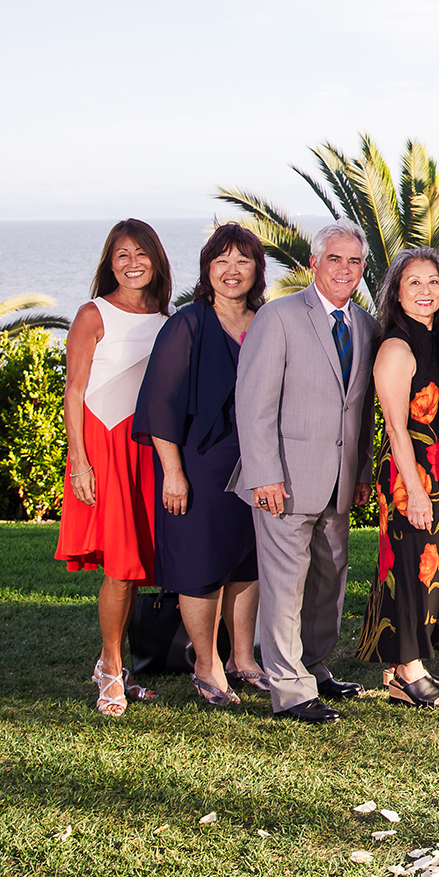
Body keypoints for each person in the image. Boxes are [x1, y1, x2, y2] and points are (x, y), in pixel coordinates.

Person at [233, 220, 375, 724]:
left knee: (328, 585)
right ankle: (290, 691)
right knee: (285, 587)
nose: (344, 269)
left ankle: (314, 668)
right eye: (333, 258)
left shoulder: (365, 325)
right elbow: (252, 405)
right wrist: (263, 473)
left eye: (353, 261)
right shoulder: (279, 317)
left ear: (362, 268)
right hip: (284, 481)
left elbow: (359, 410)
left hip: (339, 482)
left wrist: (362, 475)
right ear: (313, 263)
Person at [136, 222, 266, 709]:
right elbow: (160, 402)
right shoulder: (187, 324)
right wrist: (172, 471)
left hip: (255, 464)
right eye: (222, 262)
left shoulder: (265, 320)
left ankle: (243, 659)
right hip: (199, 464)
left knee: (247, 561)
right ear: (207, 269)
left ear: (257, 270)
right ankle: (207, 664)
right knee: (200, 565)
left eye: (243, 261)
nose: (232, 271)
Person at [57, 219, 172, 716]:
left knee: (141, 565)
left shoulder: (168, 319)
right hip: (104, 448)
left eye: (141, 253)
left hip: (148, 449)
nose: (132, 263)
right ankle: (109, 667)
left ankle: (116, 665)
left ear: (156, 260)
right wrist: (78, 463)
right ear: (110, 261)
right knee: (121, 569)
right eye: (122, 254)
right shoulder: (92, 314)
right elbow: (74, 392)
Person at [355, 248, 439, 706]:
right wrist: (413, 488)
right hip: (406, 474)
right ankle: (407, 670)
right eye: (413, 282)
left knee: (429, 564)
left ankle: (407, 667)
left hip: (434, 468)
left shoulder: (436, 339)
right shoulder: (397, 346)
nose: (424, 291)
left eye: (432, 281)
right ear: (396, 291)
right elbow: (396, 426)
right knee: (407, 566)